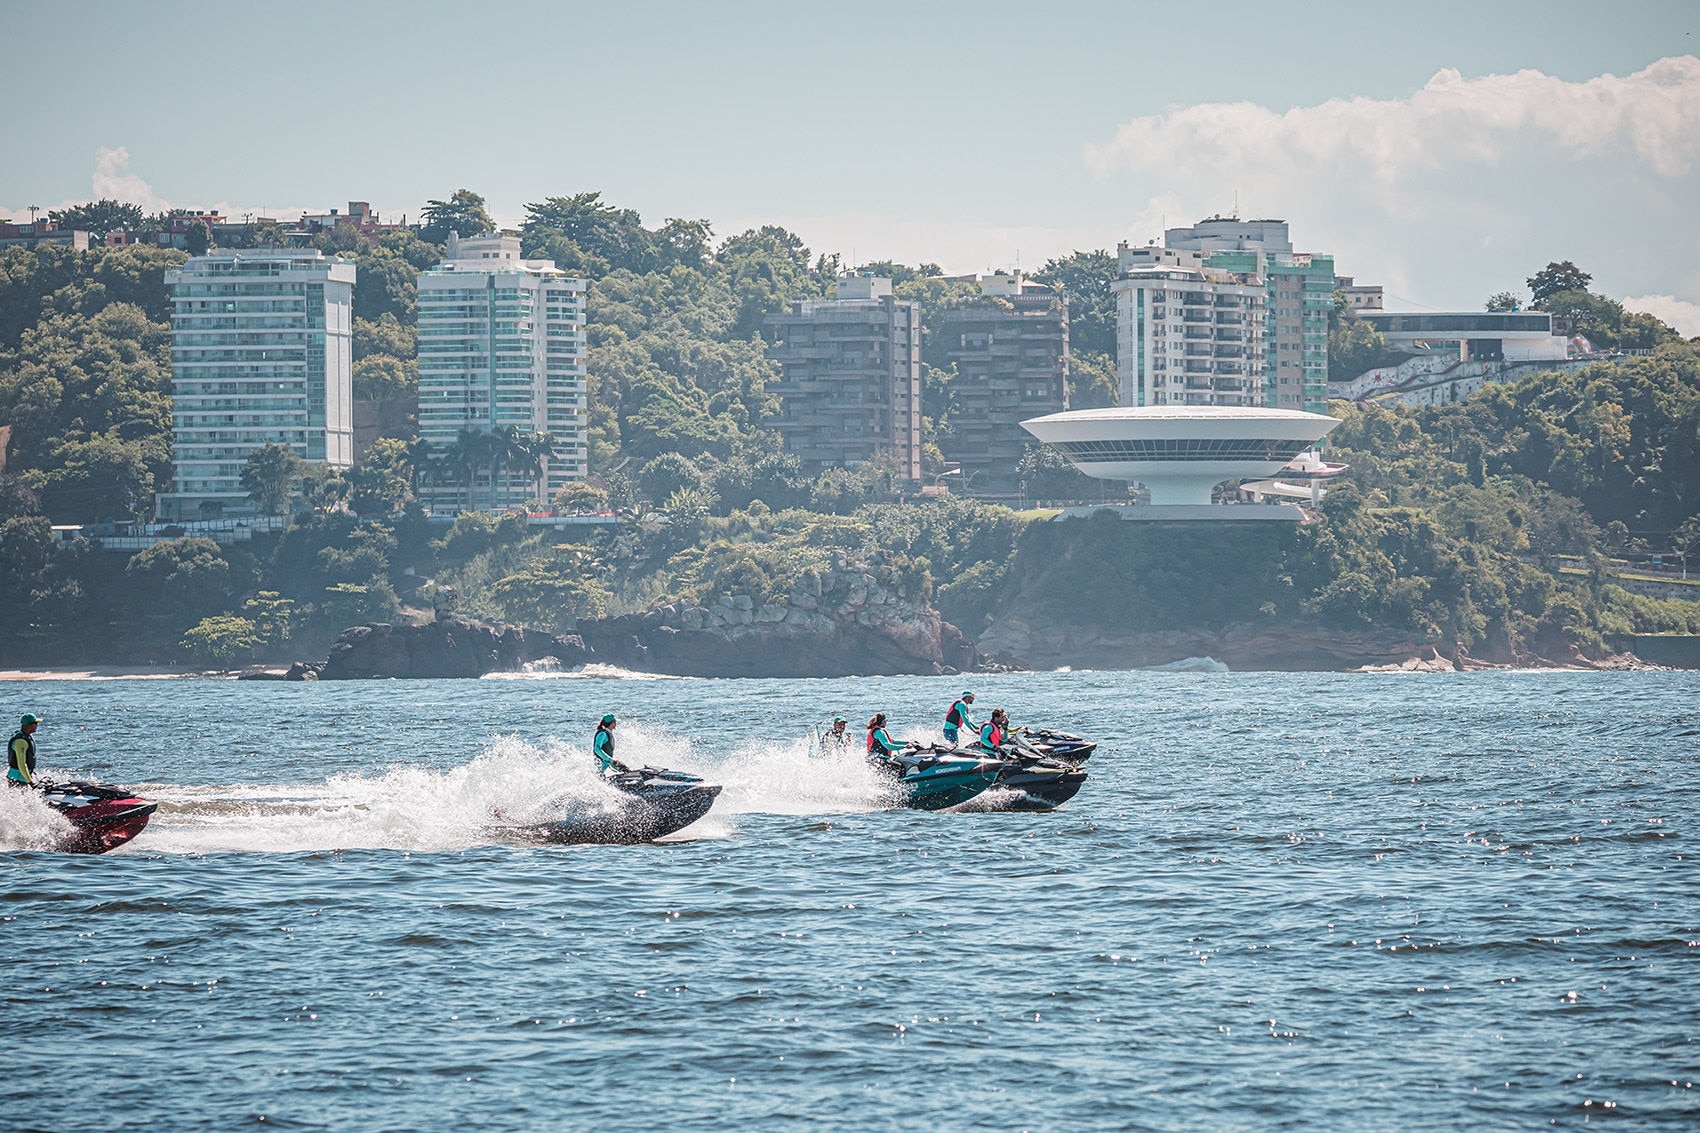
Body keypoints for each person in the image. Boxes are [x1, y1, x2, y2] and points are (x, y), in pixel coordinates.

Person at [7, 713, 40, 787]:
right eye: (35, 723)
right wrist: (31, 782)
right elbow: (21, 764)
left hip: (23, 777)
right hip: (17, 779)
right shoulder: (21, 741)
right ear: (29, 725)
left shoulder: (27, 736)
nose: (37, 725)